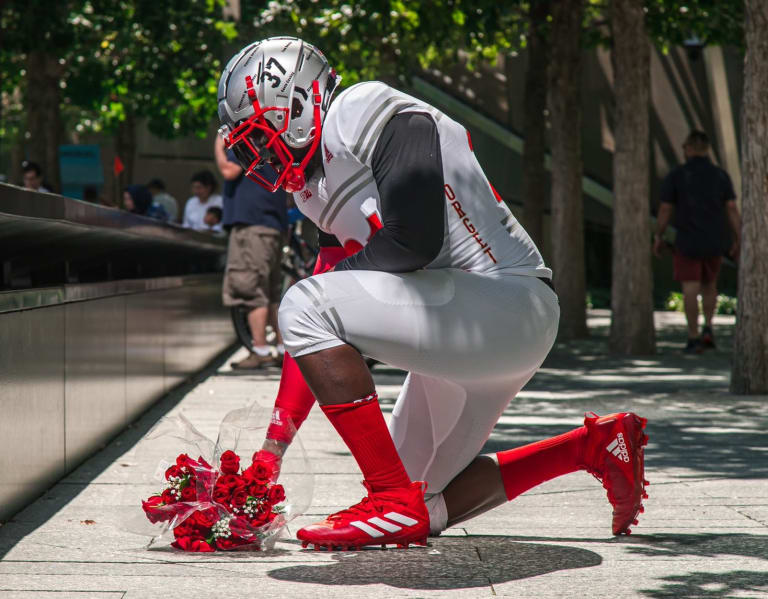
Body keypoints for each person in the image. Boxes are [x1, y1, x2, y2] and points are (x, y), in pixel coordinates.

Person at [218, 37, 648, 551]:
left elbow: (411, 240)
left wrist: (332, 307)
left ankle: (387, 495)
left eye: (262, 138)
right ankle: (593, 447)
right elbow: (314, 324)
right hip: (469, 326)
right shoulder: (314, 192)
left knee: (306, 303)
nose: (260, 158)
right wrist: (271, 451)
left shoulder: (358, 108)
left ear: (297, 105)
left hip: (504, 301)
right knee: (426, 506)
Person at [654, 130, 741, 353]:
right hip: (714, 239)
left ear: (690, 148)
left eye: (684, 147)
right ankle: (708, 327)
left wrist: (659, 235)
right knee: (710, 286)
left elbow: (665, 208)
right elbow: (731, 208)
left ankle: (693, 336)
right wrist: (738, 237)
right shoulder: (720, 175)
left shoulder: (678, 175)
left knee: (690, 287)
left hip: (687, 239)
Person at [214, 135, 289, 369]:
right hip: (273, 226)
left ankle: (260, 350)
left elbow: (228, 171)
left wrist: (218, 144)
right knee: (272, 291)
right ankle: (281, 348)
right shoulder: (273, 145)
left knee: (251, 288)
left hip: (252, 228)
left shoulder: (245, 144)